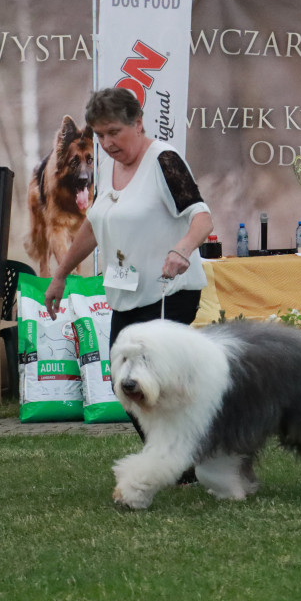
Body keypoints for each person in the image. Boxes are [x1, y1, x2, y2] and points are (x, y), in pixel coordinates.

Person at [44, 87, 213, 454]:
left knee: (155, 386)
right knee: (126, 384)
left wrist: (182, 250)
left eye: (114, 133)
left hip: (169, 293)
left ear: (138, 123)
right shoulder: (108, 168)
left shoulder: (164, 161)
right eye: (100, 135)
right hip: (125, 294)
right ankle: (181, 460)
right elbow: (94, 225)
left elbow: (201, 216)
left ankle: (183, 462)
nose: (106, 143)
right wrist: (61, 274)